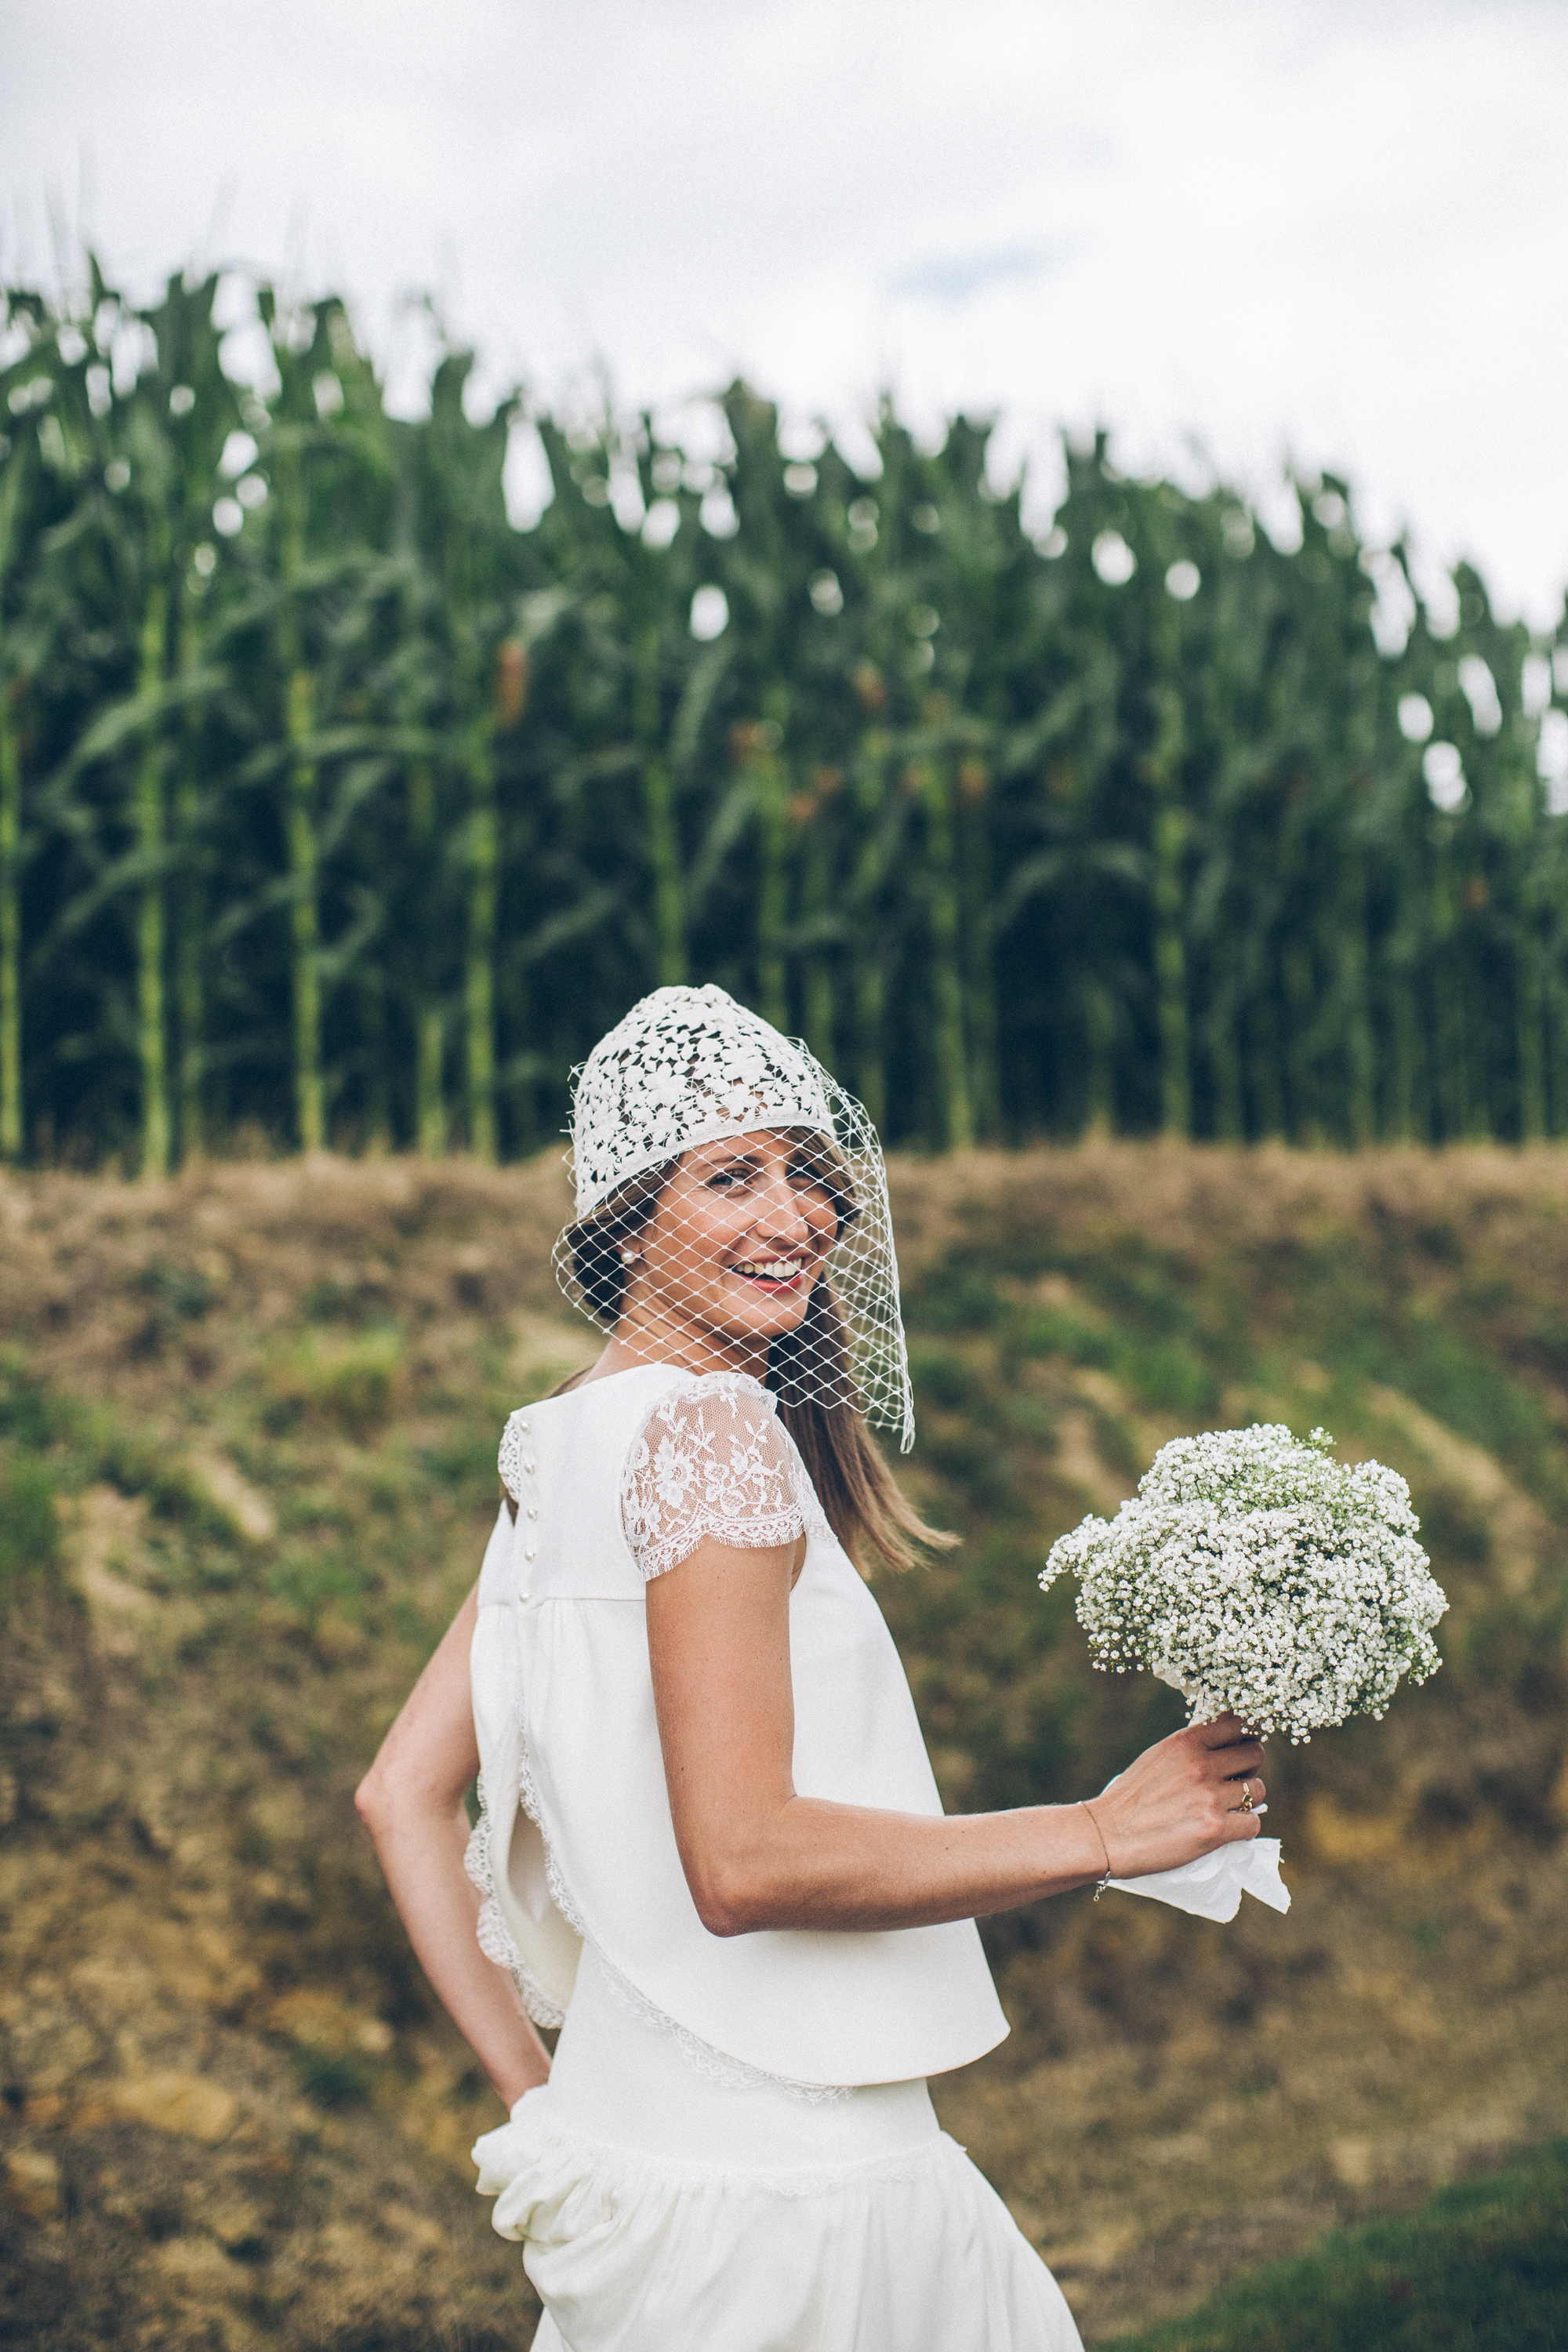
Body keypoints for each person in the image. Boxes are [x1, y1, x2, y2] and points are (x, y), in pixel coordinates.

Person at [355, 985, 1267, 2351]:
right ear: (628, 1222)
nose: (795, 1219)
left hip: (638, 2175)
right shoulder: (713, 1437)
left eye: (808, 1174)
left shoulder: (558, 1443)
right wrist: (1100, 1831)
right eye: (733, 1178)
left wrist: (534, 2097)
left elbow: (398, 1796)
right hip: (801, 2212)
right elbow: (745, 1861)